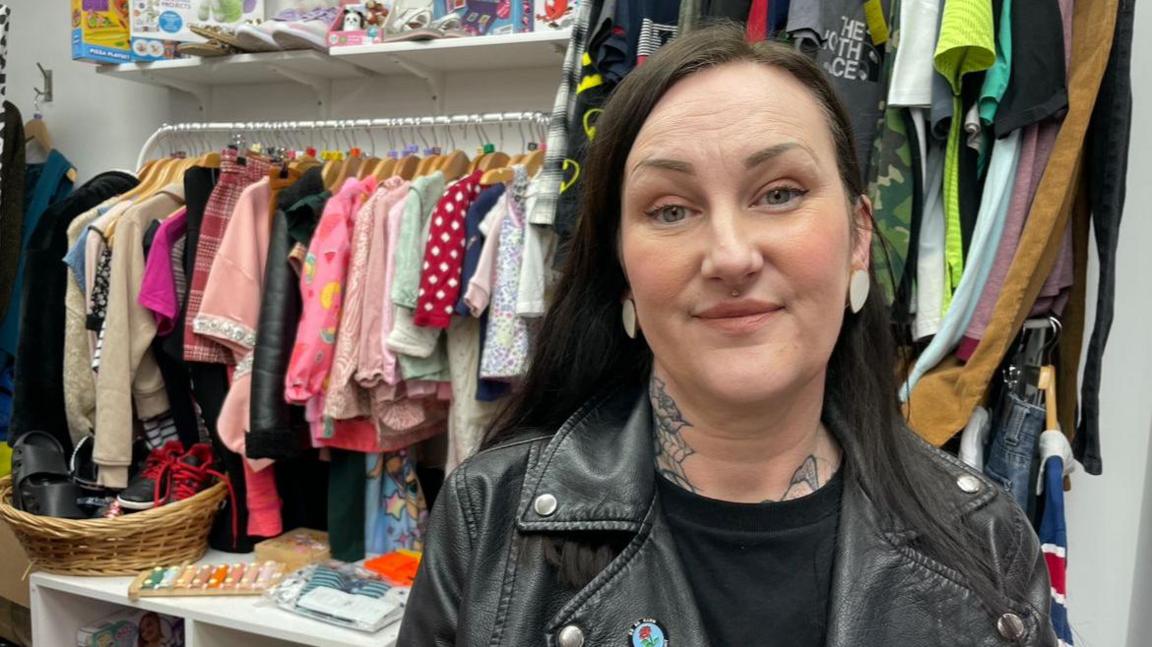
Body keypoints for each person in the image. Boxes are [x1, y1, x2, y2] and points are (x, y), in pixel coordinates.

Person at [399, 24, 1055, 646]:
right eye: (672, 209)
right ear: (622, 269)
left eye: (779, 194)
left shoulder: (987, 542)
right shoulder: (486, 518)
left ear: (858, 236)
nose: (731, 255)